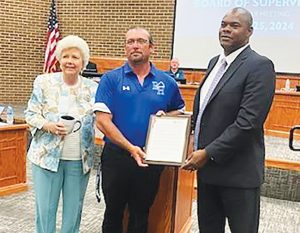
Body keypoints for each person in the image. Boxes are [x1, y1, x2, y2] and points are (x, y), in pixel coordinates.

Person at [182, 7, 276, 233]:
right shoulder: (215, 62)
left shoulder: (260, 66)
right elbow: (205, 110)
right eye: (223, 24)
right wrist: (189, 132)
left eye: (234, 25)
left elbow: (248, 122)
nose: (226, 29)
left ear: (249, 31)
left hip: (238, 175)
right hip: (207, 173)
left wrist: (208, 152)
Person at [94, 26, 185, 233]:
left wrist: (166, 117)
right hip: (116, 157)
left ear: (151, 47)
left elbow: (180, 111)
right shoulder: (110, 79)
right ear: (125, 47)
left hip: (150, 158)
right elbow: (102, 122)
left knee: (141, 212)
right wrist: (130, 148)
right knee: (113, 212)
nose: (135, 45)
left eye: (141, 41)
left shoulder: (167, 82)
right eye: (130, 41)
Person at [25, 35, 98, 233]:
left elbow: (102, 119)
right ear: (59, 59)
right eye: (65, 56)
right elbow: (30, 114)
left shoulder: (94, 89)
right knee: (46, 210)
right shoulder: (43, 82)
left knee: (73, 212)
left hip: (78, 160)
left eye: (75, 57)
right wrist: (48, 125)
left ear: (83, 62)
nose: (70, 61)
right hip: (46, 158)